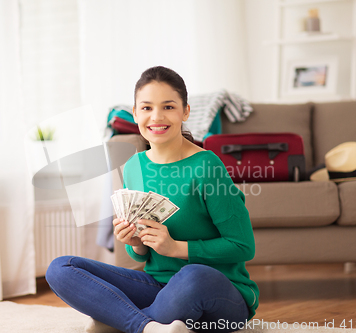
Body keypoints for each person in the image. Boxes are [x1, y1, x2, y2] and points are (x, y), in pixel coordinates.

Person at [46, 66, 259, 333]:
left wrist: (176, 248)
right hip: (159, 288)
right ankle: (148, 327)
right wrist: (135, 244)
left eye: (168, 107)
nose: (156, 117)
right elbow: (141, 251)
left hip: (219, 295)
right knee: (61, 268)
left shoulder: (207, 166)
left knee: (194, 275)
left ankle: (122, 321)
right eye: (146, 108)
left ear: (185, 112)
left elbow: (242, 246)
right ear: (135, 113)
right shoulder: (135, 165)